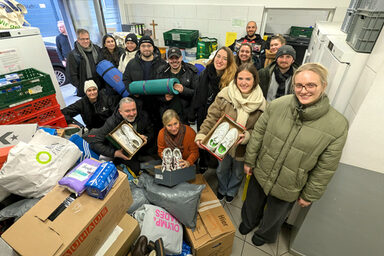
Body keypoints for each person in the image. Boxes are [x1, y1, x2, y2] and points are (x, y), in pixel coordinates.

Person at [240, 63, 349, 247]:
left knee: (276, 213)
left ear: (323, 85)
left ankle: (264, 233)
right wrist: (249, 160)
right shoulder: (277, 105)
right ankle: (248, 222)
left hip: (290, 183)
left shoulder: (337, 125)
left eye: (311, 85)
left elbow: (326, 166)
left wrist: (310, 194)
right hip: (262, 169)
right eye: (299, 85)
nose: (303, 90)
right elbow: (258, 133)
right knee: (253, 201)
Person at [195, 63, 266, 203]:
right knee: (222, 169)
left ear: (255, 80)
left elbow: (260, 130)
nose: (243, 83)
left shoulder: (262, 105)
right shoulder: (224, 96)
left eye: (248, 79)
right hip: (223, 145)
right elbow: (212, 117)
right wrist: (202, 134)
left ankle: (231, 190)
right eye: (240, 78)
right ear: (235, 79)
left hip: (243, 147)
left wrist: (247, 136)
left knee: (238, 172)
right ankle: (222, 188)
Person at [190, 46, 237, 172]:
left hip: (220, 116)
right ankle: (204, 163)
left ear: (229, 62)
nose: (220, 60)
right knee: (203, 138)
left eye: (224, 59)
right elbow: (197, 93)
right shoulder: (206, 73)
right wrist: (192, 113)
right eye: (218, 56)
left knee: (216, 141)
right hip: (203, 112)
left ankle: (216, 165)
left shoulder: (231, 80)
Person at [88, 97, 154, 175]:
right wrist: (115, 153)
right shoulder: (111, 122)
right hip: (121, 153)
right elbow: (94, 142)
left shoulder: (143, 116)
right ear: (120, 111)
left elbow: (151, 132)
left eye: (134, 109)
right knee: (133, 171)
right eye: (127, 111)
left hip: (140, 151)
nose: (132, 113)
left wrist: (145, 138)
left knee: (152, 165)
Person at [122, 35, 167, 131]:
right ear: (139, 47)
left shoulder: (162, 64)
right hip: (139, 103)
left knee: (158, 128)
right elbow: (126, 79)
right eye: (143, 46)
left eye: (149, 46)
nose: (146, 48)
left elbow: (167, 82)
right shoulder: (132, 63)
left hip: (157, 104)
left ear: (153, 47)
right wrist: (132, 91)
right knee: (141, 129)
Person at [156, 47, 199, 123]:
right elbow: (155, 94)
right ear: (167, 59)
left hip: (185, 115)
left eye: (177, 58)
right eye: (171, 58)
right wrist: (164, 98)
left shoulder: (191, 71)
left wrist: (184, 90)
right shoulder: (161, 72)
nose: (174, 61)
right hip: (167, 115)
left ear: (181, 57)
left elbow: (197, 93)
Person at [67, 29, 102, 97]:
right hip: (85, 88)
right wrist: (81, 87)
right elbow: (71, 75)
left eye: (87, 39)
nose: (85, 41)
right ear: (78, 39)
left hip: (99, 84)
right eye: (82, 39)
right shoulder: (73, 54)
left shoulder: (96, 49)